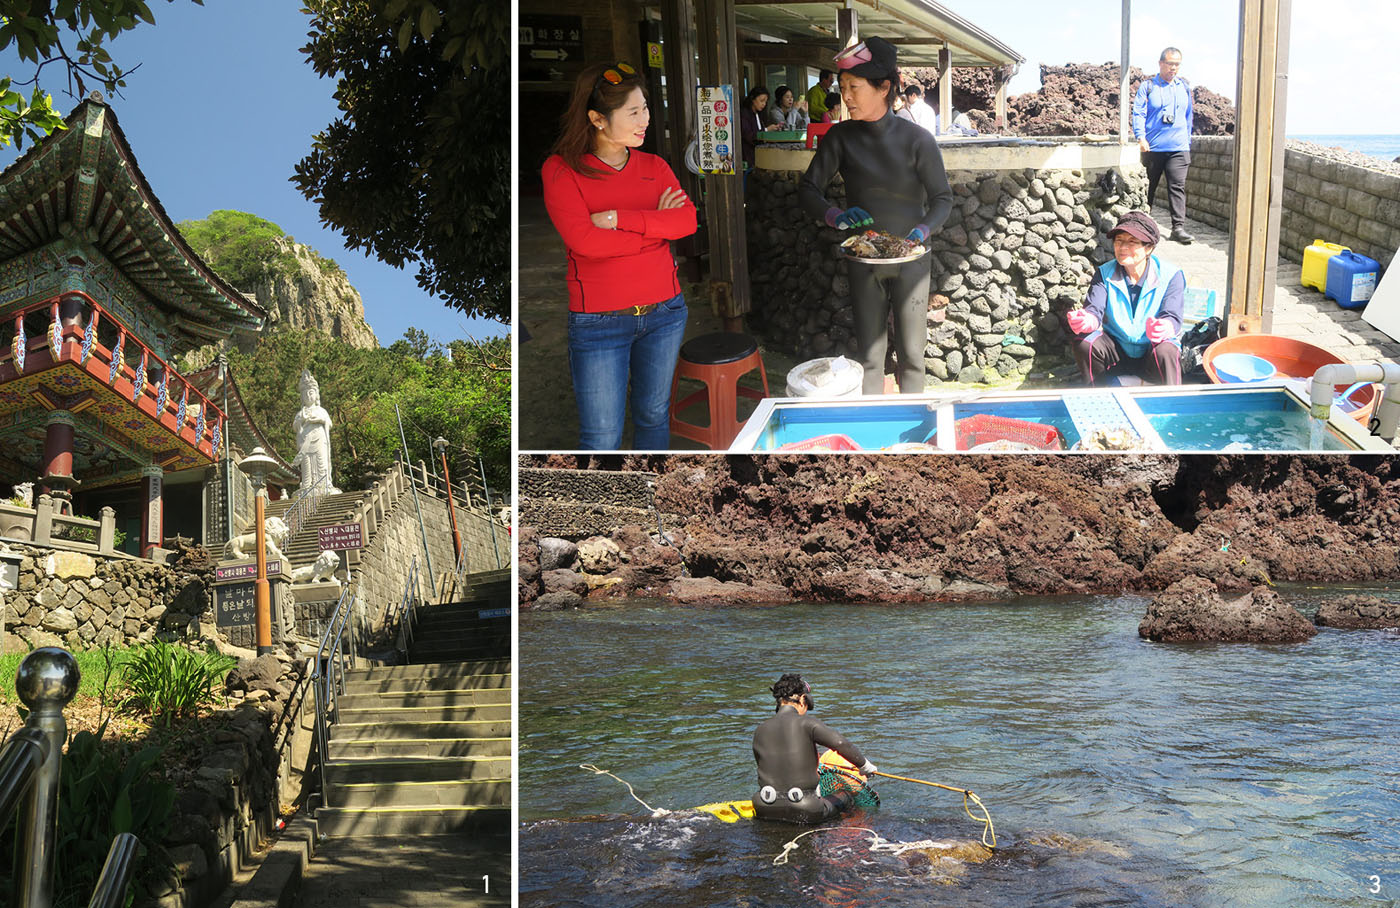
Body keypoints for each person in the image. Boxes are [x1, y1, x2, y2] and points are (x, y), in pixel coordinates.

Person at [541, 61, 698, 449]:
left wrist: (616, 219)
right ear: (597, 118)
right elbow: (586, 243)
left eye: (645, 107)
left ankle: (653, 498)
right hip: (599, 322)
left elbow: (688, 222)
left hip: (665, 313)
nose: (644, 119)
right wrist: (655, 231)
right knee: (601, 435)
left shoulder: (655, 166)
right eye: (633, 112)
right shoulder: (562, 171)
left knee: (653, 417)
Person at [799, 36, 954, 395]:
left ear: (884, 87)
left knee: (914, 357)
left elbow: (942, 199)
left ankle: (917, 439)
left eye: (853, 87)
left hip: (912, 258)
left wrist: (922, 229)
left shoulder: (918, 140)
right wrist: (835, 215)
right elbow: (808, 189)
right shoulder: (839, 138)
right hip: (863, 260)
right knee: (870, 356)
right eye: (842, 87)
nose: (845, 96)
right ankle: (873, 440)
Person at [1066, 210, 1185, 385]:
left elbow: (1173, 317)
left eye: (1132, 242)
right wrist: (1087, 320)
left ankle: (1173, 404)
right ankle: (1098, 397)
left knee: (1167, 349)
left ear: (1149, 248)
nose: (1123, 248)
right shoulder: (1104, 273)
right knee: (1085, 343)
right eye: (1119, 241)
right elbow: (1094, 309)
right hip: (1117, 353)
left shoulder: (1171, 275)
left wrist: (1164, 326)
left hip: (1150, 355)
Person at [752, 674, 877, 825]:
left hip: (764, 807)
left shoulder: (760, 729)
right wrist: (865, 766)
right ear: (803, 699)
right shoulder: (807, 723)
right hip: (805, 808)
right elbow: (840, 743)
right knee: (847, 796)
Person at [1133, 47, 1194, 244]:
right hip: (1153, 148)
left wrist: (1188, 141)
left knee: (1177, 187)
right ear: (1160, 63)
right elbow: (1139, 113)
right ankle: (1142, 226)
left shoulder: (1183, 87)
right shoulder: (1148, 86)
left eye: (1177, 64)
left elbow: (1188, 117)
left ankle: (1178, 228)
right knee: (1147, 188)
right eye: (1170, 64)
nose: (1173, 68)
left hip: (1178, 148)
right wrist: (1141, 137)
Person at [740, 85, 777, 173]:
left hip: (757, 156)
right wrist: (767, 130)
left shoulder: (758, 114)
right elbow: (749, 135)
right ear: (753, 99)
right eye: (761, 101)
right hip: (748, 156)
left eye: (765, 101)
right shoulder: (745, 114)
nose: (764, 104)